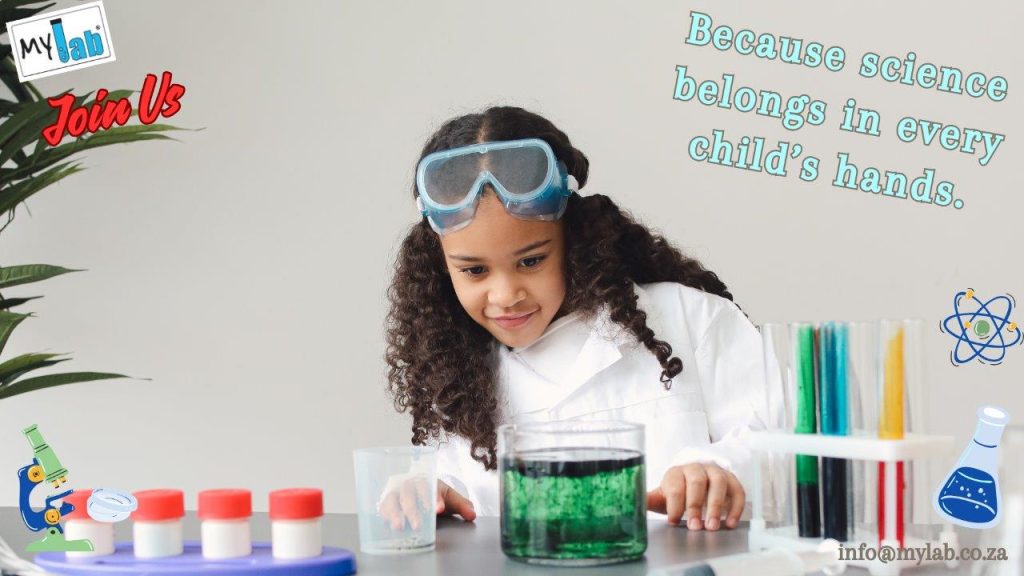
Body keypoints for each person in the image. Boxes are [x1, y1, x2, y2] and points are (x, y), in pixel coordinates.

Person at [384, 106, 769, 532]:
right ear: (442, 267)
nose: (506, 295)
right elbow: (459, 492)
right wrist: (425, 489)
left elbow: (788, 435)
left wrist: (718, 466)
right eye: (474, 271)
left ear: (572, 237)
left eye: (531, 260)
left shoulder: (689, 319)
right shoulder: (455, 379)